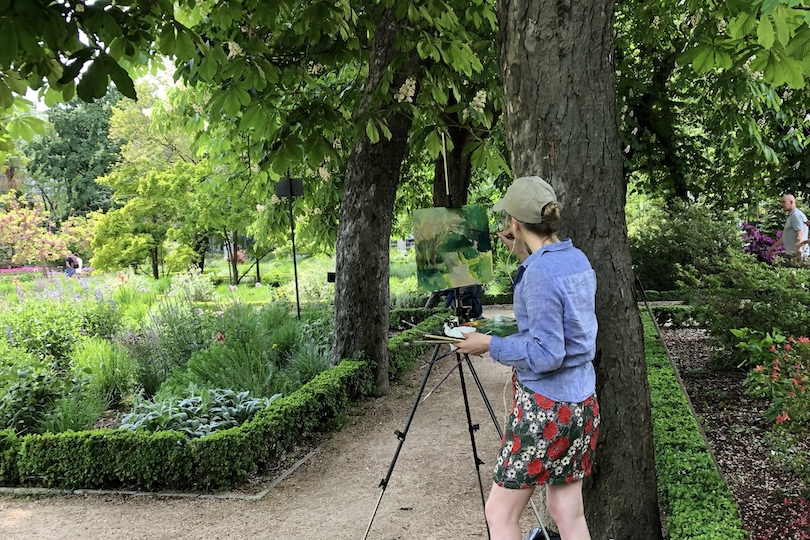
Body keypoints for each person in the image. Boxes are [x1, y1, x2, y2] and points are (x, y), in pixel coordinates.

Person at [456, 176, 599, 540]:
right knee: (568, 511)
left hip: (546, 408)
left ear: (515, 224)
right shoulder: (575, 259)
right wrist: (523, 252)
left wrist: (488, 344)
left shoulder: (538, 274)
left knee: (499, 513)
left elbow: (547, 353)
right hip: (582, 404)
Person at [767, 193, 809, 259]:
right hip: (790, 254)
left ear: (791, 202)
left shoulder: (796, 215)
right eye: (781, 202)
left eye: (784, 202)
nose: (782, 204)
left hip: (796, 256)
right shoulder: (792, 215)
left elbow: (800, 234)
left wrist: (799, 253)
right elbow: (785, 237)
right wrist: (773, 247)